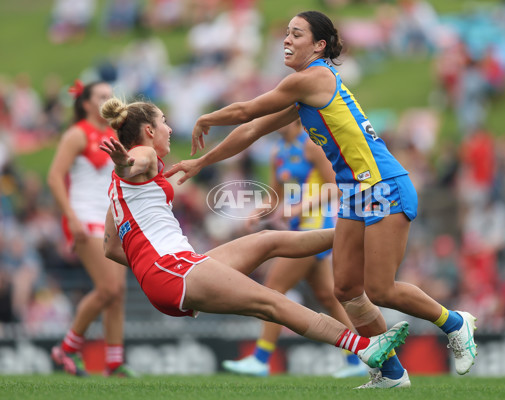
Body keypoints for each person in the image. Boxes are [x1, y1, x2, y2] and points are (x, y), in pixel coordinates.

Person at [165, 10, 478, 388]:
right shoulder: (302, 92)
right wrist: (202, 161)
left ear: (319, 45)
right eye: (285, 33)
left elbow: (246, 110)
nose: (286, 39)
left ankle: (455, 322)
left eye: (296, 34)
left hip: (382, 184)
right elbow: (251, 129)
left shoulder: (315, 77)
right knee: (345, 289)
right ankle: (391, 373)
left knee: (381, 289)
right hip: (355, 192)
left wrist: (206, 118)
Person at [98, 97, 410, 384]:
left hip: (171, 270)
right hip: (172, 269)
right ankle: (364, 347)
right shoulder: (144, 155)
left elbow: (111, 248)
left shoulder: (116, 189)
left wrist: (147, 265)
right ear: (149, 130)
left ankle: (364, 231)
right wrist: (123, 163)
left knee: (266, 241)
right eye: (163, 121)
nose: (168, 128)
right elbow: (135, 162)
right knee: (272, 300)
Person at [222, 119, 366, 378]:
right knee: (328, 298)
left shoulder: (310, 145)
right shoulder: (278, 151)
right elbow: (275, 195)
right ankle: (359, 357)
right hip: (296, 231)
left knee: (274, 287)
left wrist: (301, 208)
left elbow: (335, 186)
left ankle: (261, 358)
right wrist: (257, 213)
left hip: (313, 229)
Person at [47, 80, 135, 377]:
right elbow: (55, 177)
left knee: (118, 292)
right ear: (86, 103)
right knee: (108, 288)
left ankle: (114, 361)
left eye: (110, 96)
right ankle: (67, 348)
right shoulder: (77, 134)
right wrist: (70, 218)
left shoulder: (115, 134)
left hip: (112, 219)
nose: (108, 101)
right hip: (85, 216)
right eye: (101, 97)